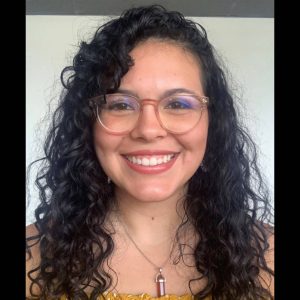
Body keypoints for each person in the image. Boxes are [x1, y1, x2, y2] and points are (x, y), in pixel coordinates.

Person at [26, 5, 274, 300]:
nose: (148, 129)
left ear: (213, 122)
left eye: (178, 104)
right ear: (87, 123)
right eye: (120, 104)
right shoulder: (32, 257)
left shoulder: (269, 258)